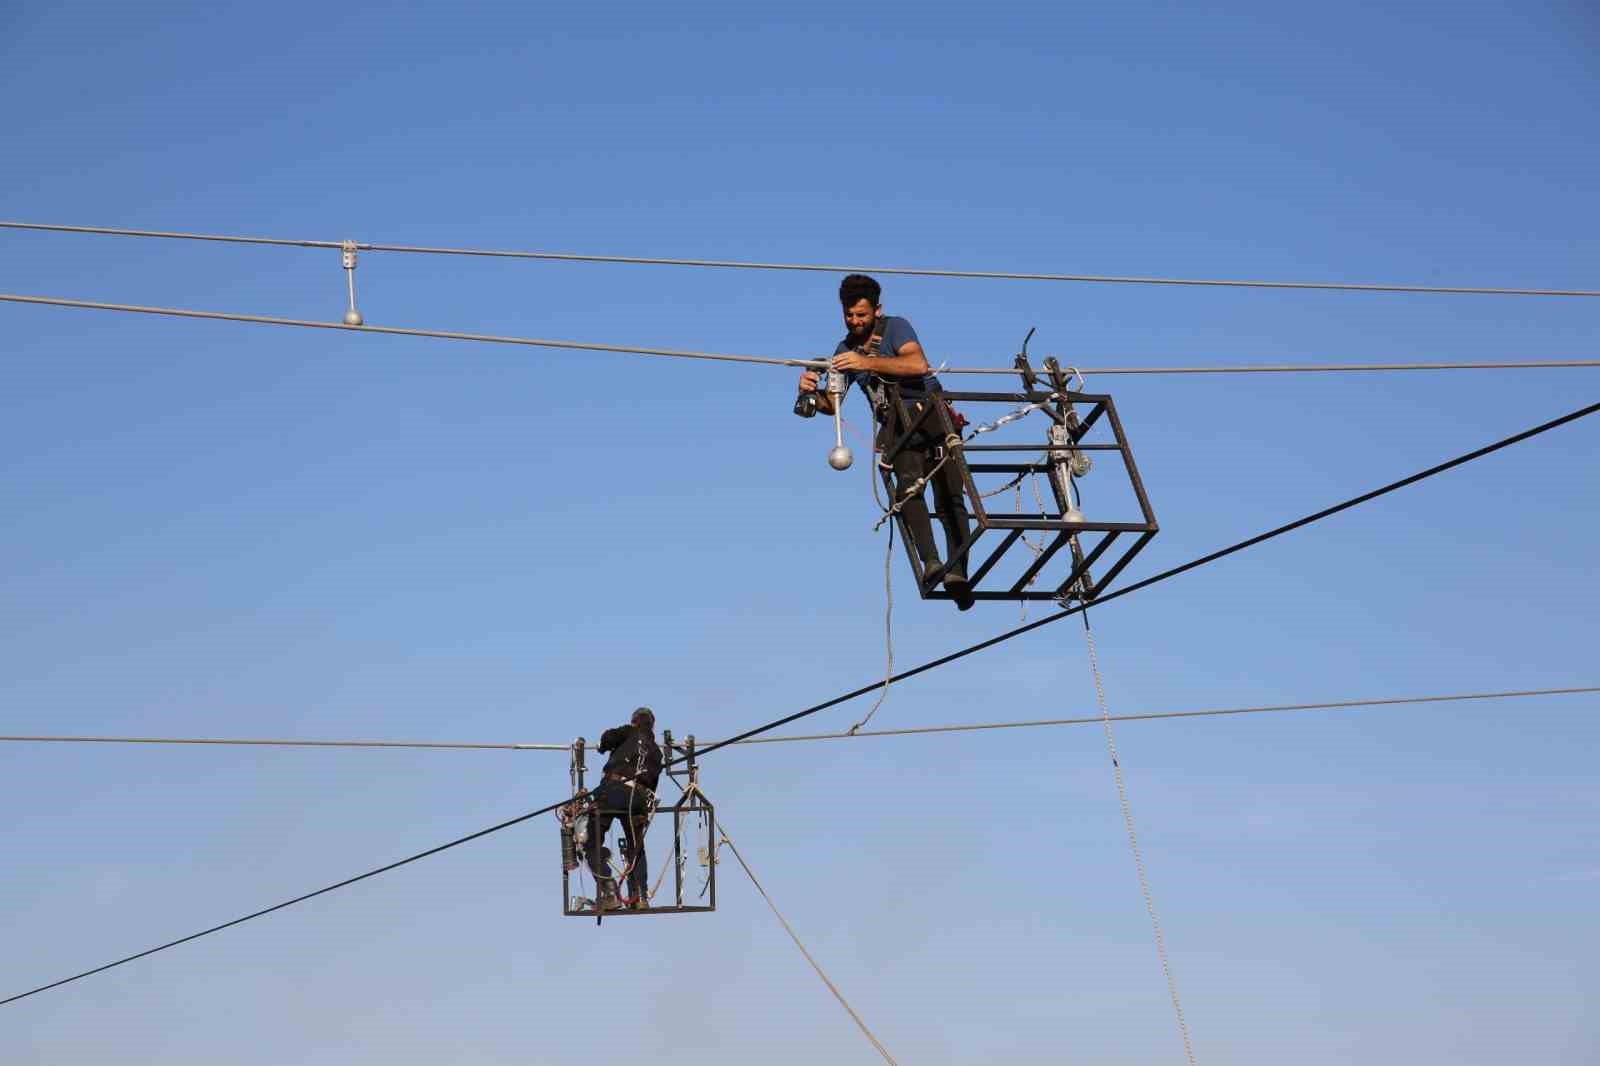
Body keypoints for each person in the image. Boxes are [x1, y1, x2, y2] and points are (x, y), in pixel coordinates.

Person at [798, 274, 976, 610]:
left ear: (877, 310)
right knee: (907, 489)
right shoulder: (844, 349)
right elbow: (832, 405)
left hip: (931, 418)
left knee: (950, 495)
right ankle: (932, 563)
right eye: (849, 315)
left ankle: (959, 573)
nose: (855, 321)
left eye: (862, 315)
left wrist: (866, 362)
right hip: (897, 428)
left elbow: (917, 363)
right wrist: (809, 390)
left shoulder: (896, 327)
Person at [585, 706, 663, 910]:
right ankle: (640, 896)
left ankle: (609, 891)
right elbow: (653, 785)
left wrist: (603, 747)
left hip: (613, 790)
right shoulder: (657, 752)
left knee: (591, 840)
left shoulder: (629, 731)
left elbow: (608, 737)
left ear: (635, 721)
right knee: (636, 845)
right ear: (652, 725)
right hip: (639, 797)